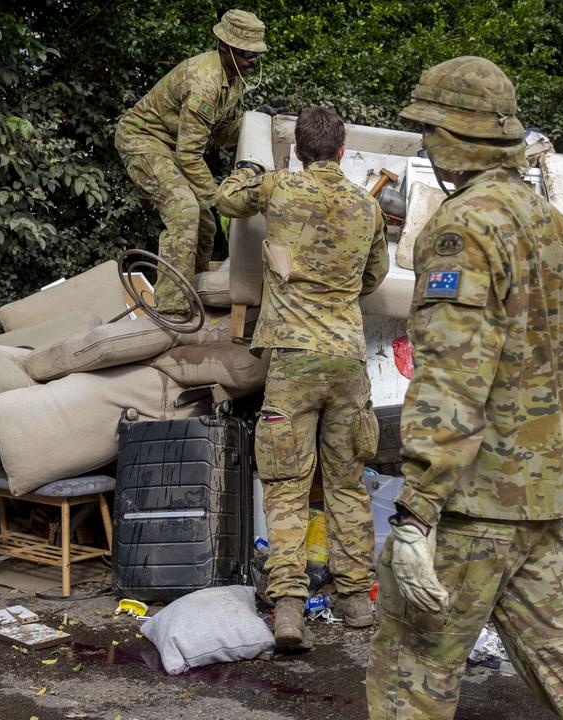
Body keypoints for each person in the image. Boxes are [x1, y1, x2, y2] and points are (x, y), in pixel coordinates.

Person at [365, 56, 563, 720]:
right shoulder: (553, 227)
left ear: (457, 136)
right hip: (542, 498)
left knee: (412, 669)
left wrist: (415, 514)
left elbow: (455, 380)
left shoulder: (464, 229)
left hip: (475, 503)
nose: (425, 143)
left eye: (430, 128)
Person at [216, 107, 389, 650]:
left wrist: (250, 167)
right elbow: (374, 277)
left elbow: (225, 199)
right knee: (347, 484)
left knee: (288, 486)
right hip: (346, 361)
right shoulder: (368, 206)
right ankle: (355, 598)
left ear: (297, 151)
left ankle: (288, 607)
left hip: (293, 361)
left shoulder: (279, 189)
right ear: (341, 151)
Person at [115, 9, 266, 315]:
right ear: (225, 48)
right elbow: (189, 155)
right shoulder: (205, 82)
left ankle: (193, 291)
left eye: (255, 54)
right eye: (245, 53)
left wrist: (261, 122)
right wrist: (219, 198)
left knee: (206, 223)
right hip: (143, 140)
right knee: (184, 208)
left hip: (174, 147)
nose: (252, 60)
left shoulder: (233, 79)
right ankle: (172, 308)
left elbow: (224, 135)